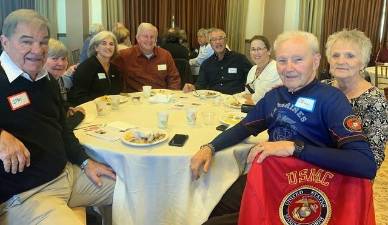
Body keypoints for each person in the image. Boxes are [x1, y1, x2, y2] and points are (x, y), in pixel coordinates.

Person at [190, 31, 377, 225]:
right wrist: (210, 147)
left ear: (315, 60)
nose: (289, 68)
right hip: (270, 178)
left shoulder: (331, 99)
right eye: (282, 60)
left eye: (297, 60)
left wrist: (293, 148)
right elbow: (243, 128)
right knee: (208, 207)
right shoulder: (274, 96)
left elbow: (365, 164)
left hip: (305, 190)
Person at [0, 9, 115, 225]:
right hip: (28, 195)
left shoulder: (47, 79)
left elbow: (62, 127)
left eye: (43, 42)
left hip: (68, 175)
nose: (37, 50)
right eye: (26, 42)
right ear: (5, 42)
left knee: (133, 189)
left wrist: (84, 162)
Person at [325, 29, 387, 169]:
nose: (341, 61)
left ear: (363, 63)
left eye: (350, 56)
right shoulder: (320, 89)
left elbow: (373, 158)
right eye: (335, 55)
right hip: (311, 172)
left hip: (349, 177)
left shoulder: (374, 100)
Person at [112, 22, 181, 92]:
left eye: (152, 37)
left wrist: (171, 96)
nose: (149, 40)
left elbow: (174, 79)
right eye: (145, 36)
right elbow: (110, 73)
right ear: (138, 38)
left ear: (156, 39)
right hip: (135, 100)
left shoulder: (165, 55)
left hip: (160, 99)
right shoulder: (124, 56)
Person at [183, 28, 252, 95]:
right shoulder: (206, 64)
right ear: (210, 43)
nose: (217, 42)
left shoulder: (240, 59)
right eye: (214, 39)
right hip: (213, 101)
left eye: (220, 38)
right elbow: (200, 86)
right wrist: (192, 87)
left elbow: (253, 77)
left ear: (226, 40)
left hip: (234, 101)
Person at [69, 31, 122, 105]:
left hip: (110, 109)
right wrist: (99, 104)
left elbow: (117, 92)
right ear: (96, 47)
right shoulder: (86, 67)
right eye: (104, 43)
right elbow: (78, 96)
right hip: (91, 110)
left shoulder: (114, 69)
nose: (108, 47)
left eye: (111, 44)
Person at [45, 38, 85, 130]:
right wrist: (79, 116)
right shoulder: (42, 86)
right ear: (42, 59)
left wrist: (67, 108)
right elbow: (57, 126)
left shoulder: (59, 79)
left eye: (63, 59)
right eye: (54, 58)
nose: (60, 63)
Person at [240, 35, 282, 104]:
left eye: (259, 49)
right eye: (253, 49)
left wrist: (252, 97)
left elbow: (260, 98)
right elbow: (247, 93)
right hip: (252, 107)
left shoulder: (276, 69)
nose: (256, 53)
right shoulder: (253, 69)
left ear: (269, 51)